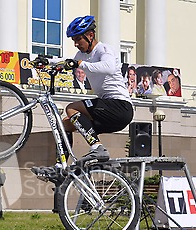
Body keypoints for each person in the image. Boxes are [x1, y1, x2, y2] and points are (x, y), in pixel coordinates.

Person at [31, 16, 134, 184]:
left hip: (120, 107)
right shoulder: (81, 55)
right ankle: (60, 168)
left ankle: (97, 148)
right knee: (64, 126)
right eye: (74, 40)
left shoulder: (104, 50)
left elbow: (107, 67)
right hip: (106, 111)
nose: (76, 43)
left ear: (90, 35)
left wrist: (80, 64)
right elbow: (67, 61)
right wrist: (47, 61)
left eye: (78, 39)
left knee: (72, 108)